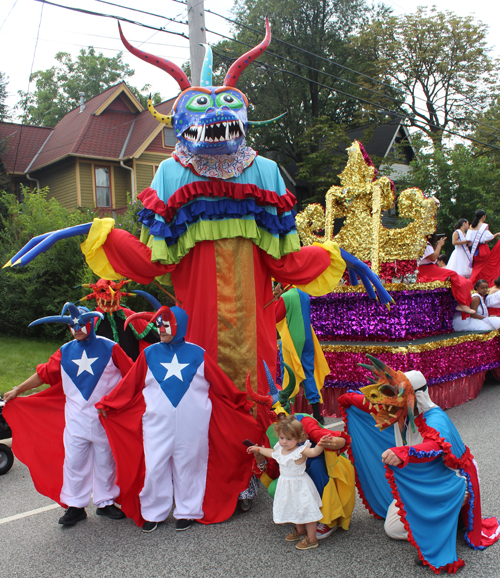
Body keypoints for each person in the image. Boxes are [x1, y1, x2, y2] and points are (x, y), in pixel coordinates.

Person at [95, 292, 261, 531]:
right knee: (154, 466)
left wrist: (241, 403)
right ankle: (154, 512)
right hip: (156, 423)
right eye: (159, 326)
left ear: (179, 326)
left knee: (190, 464)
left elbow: (222, 384)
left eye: (167, 326)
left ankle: (188, 510)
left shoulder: (197, 353)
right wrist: (109, 403)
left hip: (193, 424)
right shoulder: (149, 353)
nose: (161, 330)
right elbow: (130, 384)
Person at [339, 356, 500, 573]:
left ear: (416, 396)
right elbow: (371, 404)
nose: (390, 402)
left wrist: (405, 452)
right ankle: (441, 523)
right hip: (421, 482)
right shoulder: (400, 412)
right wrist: (348, 398)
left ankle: (445, 526)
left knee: (405, 525)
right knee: (393, 528)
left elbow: (434, 446)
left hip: (451, 483)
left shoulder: (435, 418)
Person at [3, 303, 133, 526]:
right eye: (73, 325)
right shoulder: (65, 351)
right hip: (76, 421)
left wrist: (118, 403)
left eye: (82, 323)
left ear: (92, 322)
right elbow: (43, 374)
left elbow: (132, 375)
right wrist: (17, 390)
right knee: (74, 463)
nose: (77, 328)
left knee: (106, 461)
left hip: (106, 420)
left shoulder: (111, 347)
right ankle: (75, 506)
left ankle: (105, 502)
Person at [246, 363, 355, 541]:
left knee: (317, 468)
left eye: (282, 409)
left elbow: (321, 436)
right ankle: (299, 517)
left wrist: (337, 440)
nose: (281, 416)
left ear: (289, 404)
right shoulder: (272, 433)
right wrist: (259, 457)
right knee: (276, 486)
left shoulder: (305, 420)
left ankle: (327, 517)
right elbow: (273, 467)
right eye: (275, 411)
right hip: (292, 473)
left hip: (318, 462)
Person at [247, 416, 325, 551]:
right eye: (282, 438)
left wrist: (321, 444)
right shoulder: (279, 450)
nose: (284, 442)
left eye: (289, 439)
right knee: (294, 507)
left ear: (298, 438)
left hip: (300, 486)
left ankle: (312, 539)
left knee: (307, 511)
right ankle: (300, 531)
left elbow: (313, 452)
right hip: (287, 486)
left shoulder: (300, 451)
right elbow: (270, 453)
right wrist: (258, 449)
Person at [274, 283, 330, 424]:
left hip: (291, 341)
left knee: (288, 373)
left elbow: (274, 318)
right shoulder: (304, 293)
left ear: (281, 285)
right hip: (307, 339)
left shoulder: (285, 297)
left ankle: (287, 415)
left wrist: (276, 299)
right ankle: (318, 415)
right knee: (308, 374)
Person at [418, 233, 475, 313]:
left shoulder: (425, 243)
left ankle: (463, 303)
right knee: (453, 275)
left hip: (431, 268)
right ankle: (461, 303)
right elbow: (433, 257)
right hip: (427, 270)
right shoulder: (424, 244)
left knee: (465, 280)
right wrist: (439, 245)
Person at [466, 210, 500, 286]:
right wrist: (497, 234)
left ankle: (472, 283)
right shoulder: (484, 226)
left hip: (475, 251)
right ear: (483, 216)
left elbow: (468, 239)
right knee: (486, 268)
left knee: (476, 269)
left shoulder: (471, 226)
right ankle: (485, 284)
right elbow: (489, 237)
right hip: (483, 249)